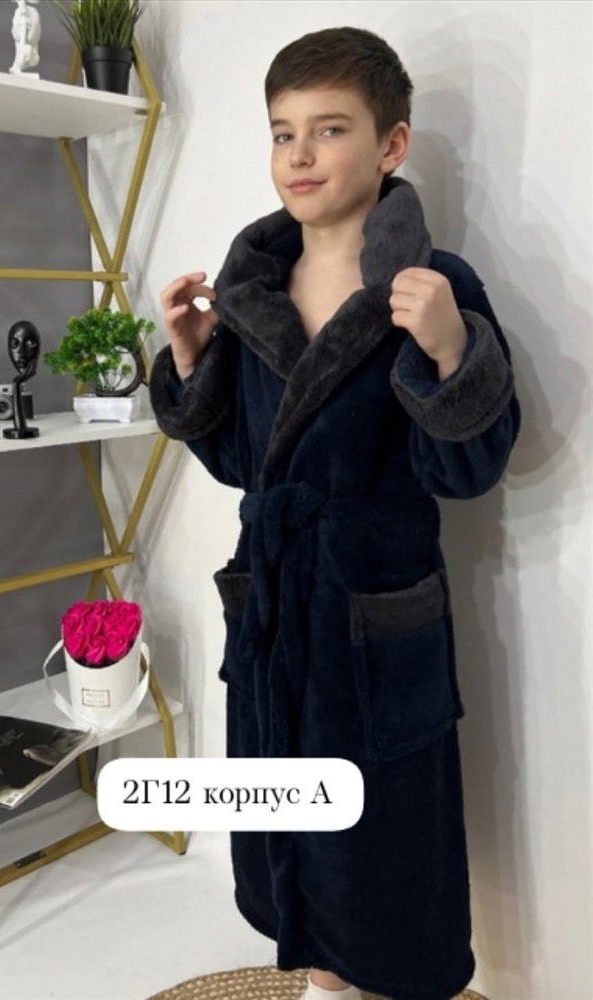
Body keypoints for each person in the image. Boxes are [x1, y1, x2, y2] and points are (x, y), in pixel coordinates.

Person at [149, 27, 520, 1000]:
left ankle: (377, 976)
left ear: (392, 144)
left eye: (329, 129)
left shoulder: (432, 285)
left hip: (376, 607)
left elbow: (467, 468)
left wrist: (450, 352)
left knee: (385, 829)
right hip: (275, 604)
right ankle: (320, 976)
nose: (299, 155)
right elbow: (243, 463)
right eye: (282, 133)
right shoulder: (249, 296)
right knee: (286, 809)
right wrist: (190, 360)